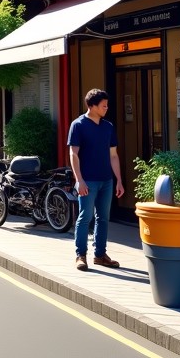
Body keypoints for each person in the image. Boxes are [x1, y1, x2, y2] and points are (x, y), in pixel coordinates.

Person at [68, 88, 125, 271]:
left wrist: (119, 180)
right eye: (103, 105)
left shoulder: (108, 127)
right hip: (88, 180)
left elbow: (113, 155)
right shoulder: (78, 125)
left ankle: (100, 255)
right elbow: (73, 154)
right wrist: (79, 180)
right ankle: (80, 255)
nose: (106, 108)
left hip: (106, 180)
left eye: (107, 105)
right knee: (85, 217)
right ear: (91, 106)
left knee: (103, 218)